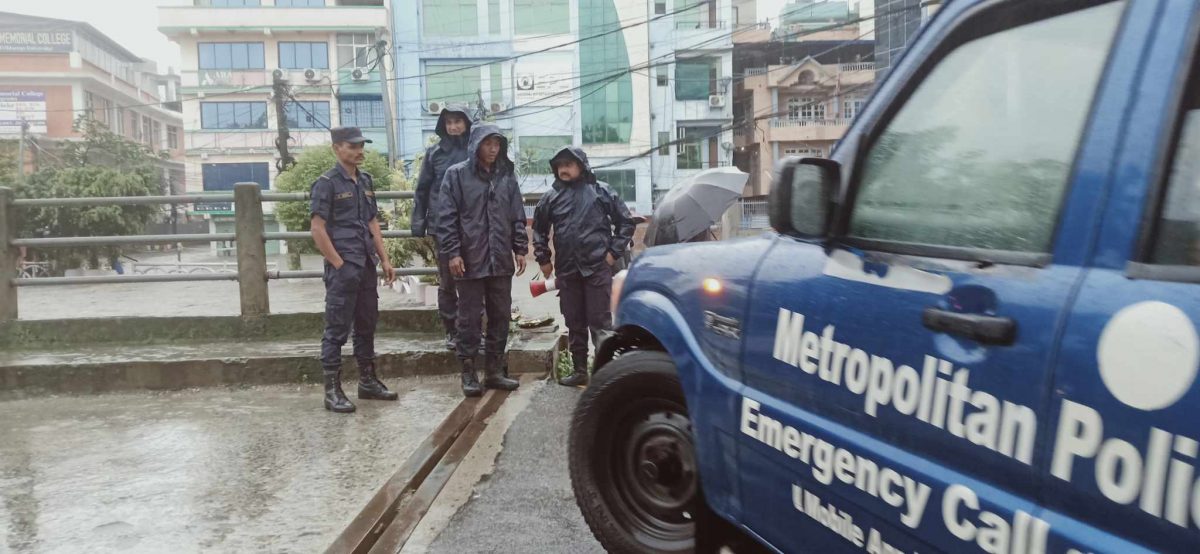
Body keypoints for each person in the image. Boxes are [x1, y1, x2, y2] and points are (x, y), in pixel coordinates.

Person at [310, 127, 399, 413]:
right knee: (336, 328)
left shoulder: (365, 181)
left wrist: (384, 259)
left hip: (366, 265)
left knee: (366, 324)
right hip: (343, 267)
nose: (359, 151)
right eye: (353, 146)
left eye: (362, 145)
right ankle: (332, 391)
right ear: (337, 148)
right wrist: (338, 263)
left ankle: (367, 381)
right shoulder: (326, 183)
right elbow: (317, 228)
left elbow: (373, 223)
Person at [532, 147, 635, 387]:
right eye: (560, 165)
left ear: (582, 166)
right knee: (574, 322)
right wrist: (543, 258)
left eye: (569, 164)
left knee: (601, 325)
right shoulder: (551, 197)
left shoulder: (600, 191)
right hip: (568, 271)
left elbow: (625, 223)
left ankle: (605, 374)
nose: (563, 169)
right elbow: (539, 229)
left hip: (597, 269)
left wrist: (611, 254)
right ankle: (579, 370)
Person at [436, 123, 526, 397]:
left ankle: (494, 371)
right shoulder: (456, 175)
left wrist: (520, 247)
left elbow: (517, 214)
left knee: (500, 314)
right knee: (469, 317)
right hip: (470, 259)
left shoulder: (506, 176)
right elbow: (447, 218)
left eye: (497, 144)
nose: (493, 149)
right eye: (488, 144)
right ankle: (468, 372)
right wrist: (453, 252)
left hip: (499, 258)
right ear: (476, 145)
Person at [411, 105, 474, 350]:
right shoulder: (434, 154)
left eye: (458, 121)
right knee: (448, 281)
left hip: (473, 225)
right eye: (449, 122)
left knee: (474, 281)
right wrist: (418, 224)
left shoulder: (476, 151)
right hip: (442, 226)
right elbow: (422, 189)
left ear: (467, 123)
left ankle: (472, 329)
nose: (454, 126)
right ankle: (451, 330)